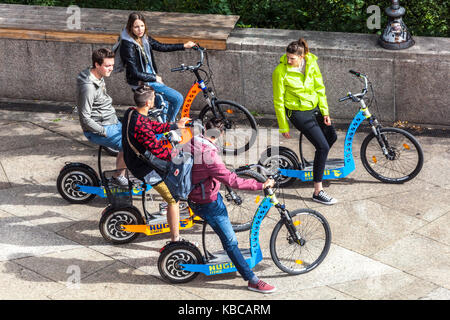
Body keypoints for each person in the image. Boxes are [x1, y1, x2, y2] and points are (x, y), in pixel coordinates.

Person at [187, 118, 277, 294]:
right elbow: (232, 181)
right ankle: (252, 280)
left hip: (195, 196)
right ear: (221, 134)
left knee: (226, 231)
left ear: (205, 128)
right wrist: (262, 185)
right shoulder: (209, 155)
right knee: (231, 242)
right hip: (207, 202)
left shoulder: (192, 142)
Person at [272, 38, 338, 205]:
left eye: (292, 58)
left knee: (332, 137)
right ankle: (318, 191)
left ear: (302, 57)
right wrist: (283, 126)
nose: (288, 60)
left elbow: (320, 88)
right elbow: (278, 100)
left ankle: (318, 163)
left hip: (314, 107)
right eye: (287, 57)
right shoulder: (280, 71)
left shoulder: (312, 64)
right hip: (297, 112)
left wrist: (325, 111)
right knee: (322, 146)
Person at [122, 85, 190, 242]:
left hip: (132, 159)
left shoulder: (131, 112)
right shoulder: (141, 125)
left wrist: (175, 125)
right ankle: (175, 240)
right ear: (148, 103)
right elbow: (158, 150)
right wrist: (179, 155)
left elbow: (152, 126)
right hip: (143, 168)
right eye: (153, 98)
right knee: (173, 199)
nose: (154, 101)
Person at [119, 12, 196, 122]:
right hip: (142, 82)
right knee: (177, 98)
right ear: (130, 27)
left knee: (163, 106)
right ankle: (169, 126)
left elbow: (161, 46)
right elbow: (134, 72)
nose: (140, 29)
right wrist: (154, 77)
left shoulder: (144, 39)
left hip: (150, 78)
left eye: (142, 26)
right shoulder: (128, 45)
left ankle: (165, 130)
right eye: (136, 27)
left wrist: (184, 46)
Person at [76, 48, 127, 185]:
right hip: (101, 128)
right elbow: (84, 118)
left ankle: (121, 173)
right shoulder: (89, 87)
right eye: (107, 66)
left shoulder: (98, 75)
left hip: (110, 121)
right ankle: (118, 177)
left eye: (112, 65)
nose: (111, 69)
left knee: (136, 135)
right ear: (97, 64)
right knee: (129, 146)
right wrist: (103, 132)